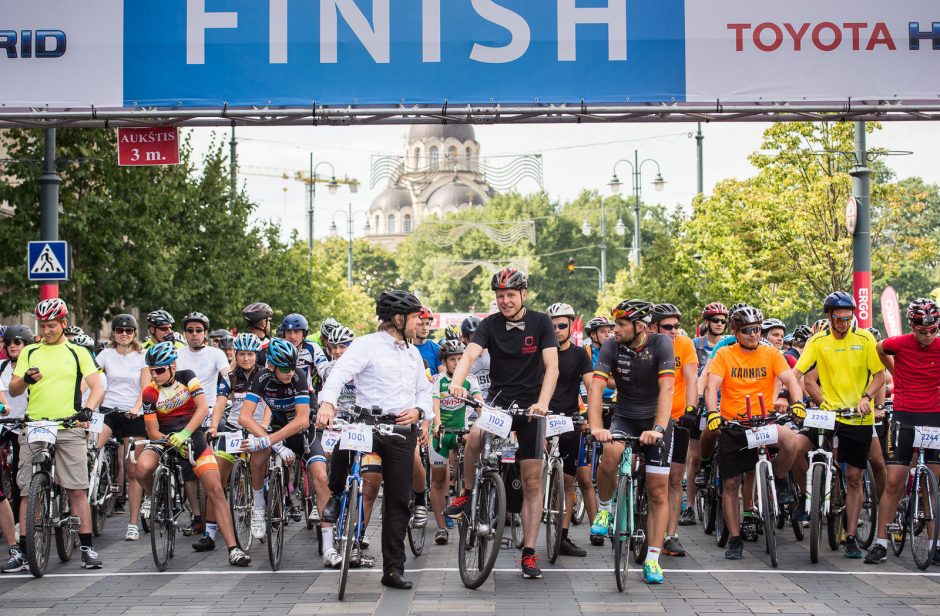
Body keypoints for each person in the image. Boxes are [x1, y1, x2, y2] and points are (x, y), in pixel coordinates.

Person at [446, 268, 559, 580]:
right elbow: (468, 356)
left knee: (532, 480)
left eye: (511, 295)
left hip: (531, 406)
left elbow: (552, 367)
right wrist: (457, 383)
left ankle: (529, 553)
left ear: (524, 294)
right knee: (475, 435)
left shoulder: (540, 322)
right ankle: (467, 492)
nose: (505, 301)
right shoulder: (489, 324)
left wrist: (543, 403)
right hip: (499, 402)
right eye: (500, 296)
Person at [317, 290, 432, 590]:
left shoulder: (413, 354)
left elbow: (424, 391)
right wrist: (328, 403)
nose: (418, 323)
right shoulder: (366, 345)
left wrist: (420, 411)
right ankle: (337, 493)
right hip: (366, 421)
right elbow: (339, 373)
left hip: (400, 430)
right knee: (345, 442)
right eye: (414, 317)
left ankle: (393, 569)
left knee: (397, 501)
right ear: (398, 319)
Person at [701, 305, 805, 561]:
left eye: (757, 329)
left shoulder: (770, 354)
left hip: (763, 422)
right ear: (736, 331)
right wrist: (713, 413)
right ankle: (735, 538)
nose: (754, 334)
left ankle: (779, 480)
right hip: (734, 425)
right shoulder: (725, 354)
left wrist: (798, 402)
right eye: (748, 330)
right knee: (731, 483)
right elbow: (712, 386)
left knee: (791, 441)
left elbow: (791, 380)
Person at [7, 299, 105, 569]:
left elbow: (97, 387)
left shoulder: (78, 352)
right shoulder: (30, 351)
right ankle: (26, 553)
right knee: (27, 489)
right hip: (36, 424)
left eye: (52, 325)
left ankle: (87, 548)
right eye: (42, 325)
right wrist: (25, 379)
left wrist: (87, 409)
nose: (47, 330)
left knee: (76, 489)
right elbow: (14, 389)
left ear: (63, 323)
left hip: (69, 425)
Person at [135, 342, 250, 566]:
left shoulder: (187, 377)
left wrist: (185, 433)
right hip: (165, 439)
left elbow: (202, 408)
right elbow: (152, 430)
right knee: (142, 467)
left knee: (215, 489)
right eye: (151, 370)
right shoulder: (149, 392)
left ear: (172, 366)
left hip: (192, 436)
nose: (154, 375)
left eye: (159, 370)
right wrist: (170, 440)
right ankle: (157, 499)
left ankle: (233, 549)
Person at [793, 291, 885, 559]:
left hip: (857, 416)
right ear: (829, 318)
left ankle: (852, 535)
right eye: (838, 320)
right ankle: (804, 496)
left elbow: (879, 375)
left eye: (847, 319)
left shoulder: (865, 338)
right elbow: (797, 374)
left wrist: (867, 398)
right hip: (828, 414)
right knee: (796, 448)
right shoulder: (818, 341)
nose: (843, 325)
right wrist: (792, 399)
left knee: (854, 477)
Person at [588, 300, 674, 584]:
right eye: (615, 324)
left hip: (655, 420)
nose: (615, 330)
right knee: (610, 453)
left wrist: (659, 427)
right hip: (624, 416)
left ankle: (652, 559)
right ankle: (604, 511)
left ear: (640, 326)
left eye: (622, 325)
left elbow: (667, 388)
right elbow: (597, 387)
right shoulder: (612, 345)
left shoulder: (661, 344)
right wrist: (597, 426)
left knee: (658, 491)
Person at [865, 298, 940, 565]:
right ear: (912, 325)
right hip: (905, 415)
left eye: (933, 329)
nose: (928, 335)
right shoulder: (899, 343)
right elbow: (877, 347)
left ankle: (935, 544)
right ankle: (881, 543)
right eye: (922, 330)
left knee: (932, 485)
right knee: (894, 482)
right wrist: (895, 371)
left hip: (934, 417)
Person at [237, 338, 313, 544]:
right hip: (276, 427)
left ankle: (312, 500)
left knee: (315, 460)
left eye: (293, 366)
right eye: (284, 368)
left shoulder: (298, 376)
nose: (290, 371)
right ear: (271, 366)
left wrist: (269, 440)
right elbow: (244, 417)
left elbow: (302, 420)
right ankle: (259, 507)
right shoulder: (262, 377)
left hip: (296, 427)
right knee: (258, 457)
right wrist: (272, 444)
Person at [95, 314, 150, 541]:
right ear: (114, 334)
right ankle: (97, 484)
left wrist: (137, 408)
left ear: (135, 333)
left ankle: (133, 523)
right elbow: (91, 380)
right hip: (109, 411)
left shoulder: (142, 356)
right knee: (90, 447)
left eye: (128, 331)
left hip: (133, 414)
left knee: (133, 469)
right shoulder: (105, 355)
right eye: (119, 330)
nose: (124, 334)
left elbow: (145, 389)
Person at [545, 302, 594, 557]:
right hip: (542, 418)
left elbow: (591, 385)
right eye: (552, 326)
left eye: (562, 326)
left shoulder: (579, 355)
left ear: (571, 326)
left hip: (569, 420)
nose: (557, 331)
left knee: (567, 481)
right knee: (530, 474)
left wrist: (593, 417)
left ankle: (562, 536)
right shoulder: (541, 353)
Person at [649, 303, 698, 553]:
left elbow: (691, 379)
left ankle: (670, 535)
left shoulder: (685, 345)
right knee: (647, 475)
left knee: (675, 478)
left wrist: (691, 409)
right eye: (668, 327)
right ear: (653, 327)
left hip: (677, 416)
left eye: (677, 326)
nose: (674, 331)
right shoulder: (645, 343)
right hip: (648, 416)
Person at [177, 311, 230, 539]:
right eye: (190, 331)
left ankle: (218, 507)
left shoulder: (216, 354)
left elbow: (228, 378)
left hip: (212, 413)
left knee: (217, 462)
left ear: (206, 333)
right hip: (185, 415)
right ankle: (197, 516)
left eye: (199, 330)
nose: (195, 334)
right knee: (188, 469)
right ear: (185, 334)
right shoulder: (177, 355)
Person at [429, 340, 483, 545]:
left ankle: (467, 517)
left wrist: (483, 420)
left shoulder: (471, 380)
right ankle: (441, 527)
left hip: (462, 432)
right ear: (445, 361)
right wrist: (437, 423)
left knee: (466, 477)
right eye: (453, 359)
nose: (457, 363)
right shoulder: (438, 380)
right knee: (438, 480)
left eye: (461, 359)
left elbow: (479, 405)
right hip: (441, 434)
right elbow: (434, 404)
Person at [0, 325, 31, 572]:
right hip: (5, 424)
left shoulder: (33, 369)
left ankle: (23, 528)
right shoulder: (2, 369)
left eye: (18, 342)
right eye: (9, 342)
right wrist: (4, 409)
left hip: (29, 424)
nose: (12, 345)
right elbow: (2, 398)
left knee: (23, 477)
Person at [460, 316, 490, 401]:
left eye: (479, 334)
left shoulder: (493, 353)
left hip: (497, 401)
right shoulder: (463, 359)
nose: (478, 338)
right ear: (466, 339)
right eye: (474, 335)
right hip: (475, 403)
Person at [414, 306, 442, 373]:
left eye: (427, 324)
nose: (425, 328)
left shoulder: (437, 349)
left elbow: (443, 377)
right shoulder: (405, 347)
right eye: (420, 324)